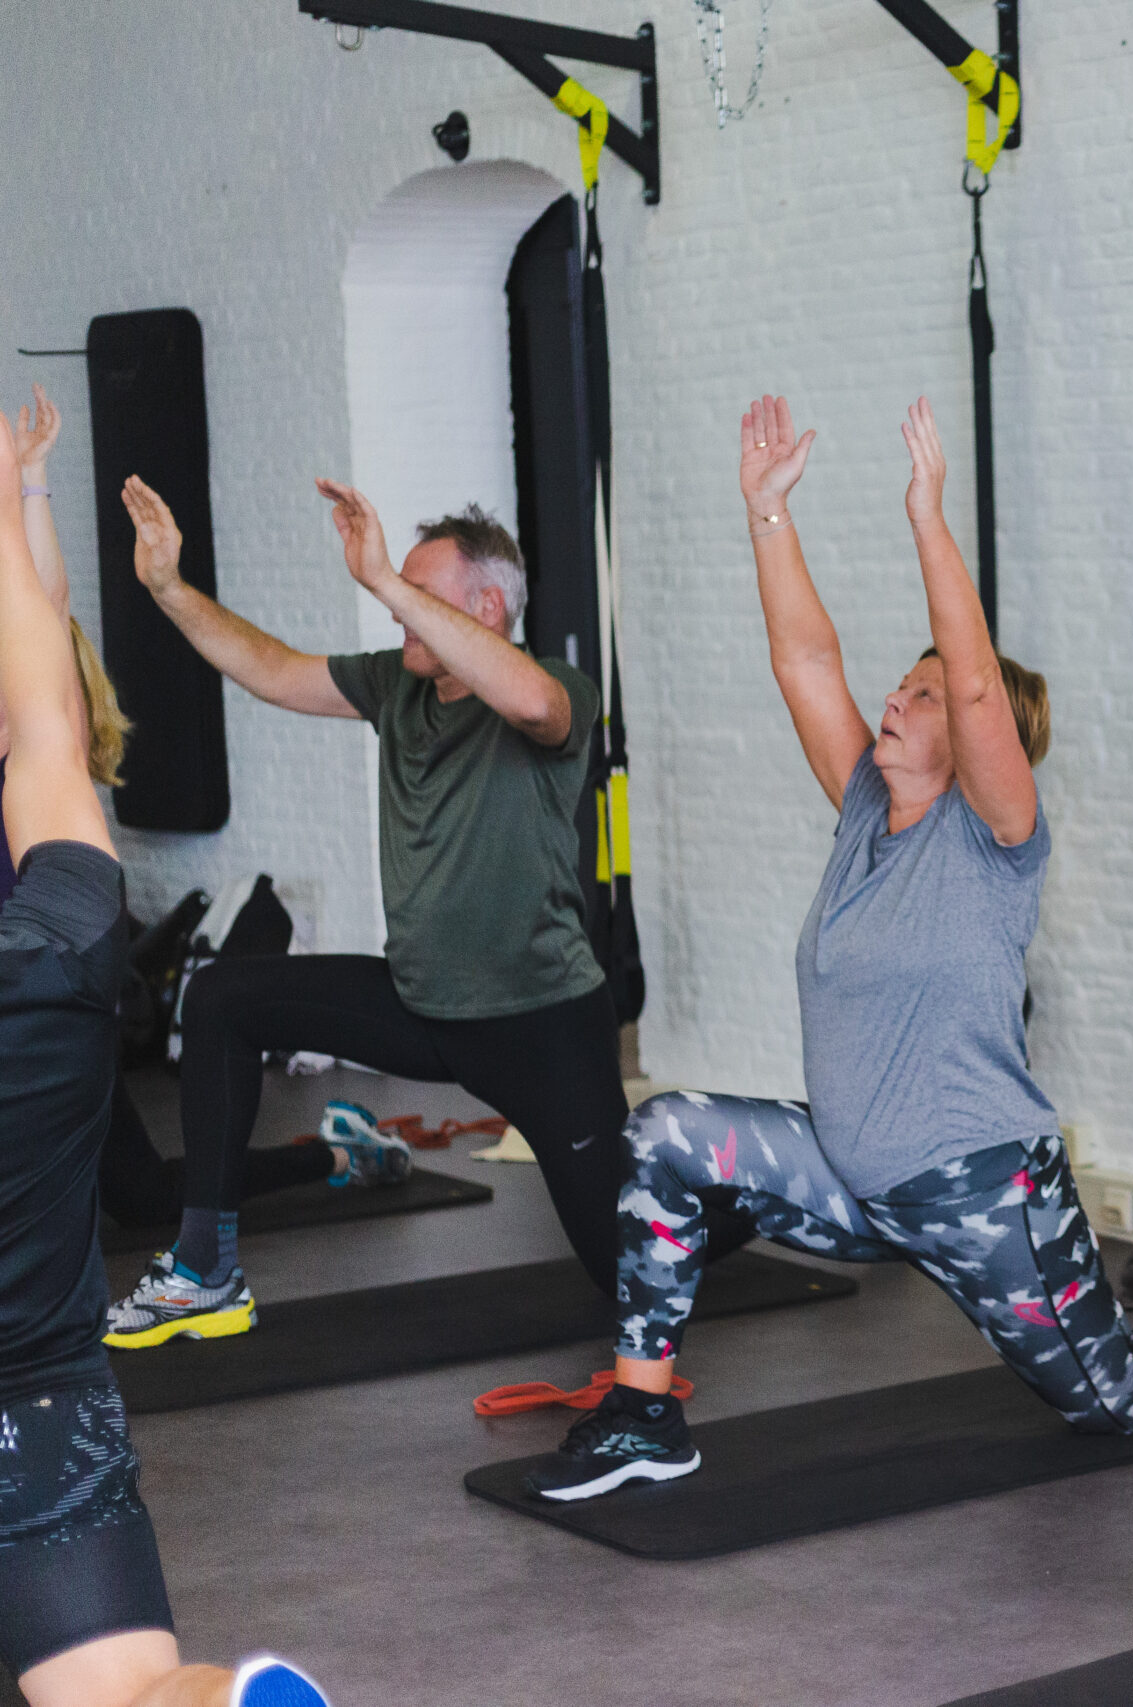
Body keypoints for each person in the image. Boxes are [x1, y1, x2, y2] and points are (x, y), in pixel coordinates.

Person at [517, 393, 1133, 1501]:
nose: (896, 701)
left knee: (1117, 1403)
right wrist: (768, 514)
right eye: (900, 686)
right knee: (668, 1133)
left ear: (975, 736)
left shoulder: (997, 836)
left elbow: (972, 679)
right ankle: (642, 1409)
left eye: (921, 693)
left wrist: (927, 520)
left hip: (981, 1193)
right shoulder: (866, 807)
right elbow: (803, 661)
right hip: (850, 1179)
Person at [102, 476, 630, 1347]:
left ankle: (760, 1196)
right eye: (396, 597)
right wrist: (167, 586)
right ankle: (204, 1269)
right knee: (225, 998)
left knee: (625, 1263)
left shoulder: (552, 686)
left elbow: (535, 704)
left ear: (487, 607)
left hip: (540, 1026)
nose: (395, 615)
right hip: (423, 1009)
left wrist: (386, 579)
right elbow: (271, 669)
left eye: (418, 598)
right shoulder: (398, 688)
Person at [0, 380, 328, 1707]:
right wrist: (13, 493)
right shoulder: (70, 941)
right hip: (38, 1386)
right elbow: (48, 716)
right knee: (126, 1685)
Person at [0, 389, 405, 1235]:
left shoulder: (33, 737)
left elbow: (48, 604)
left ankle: (334, 1152)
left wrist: (27, 482)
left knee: (143, 1201)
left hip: (43, 1002)